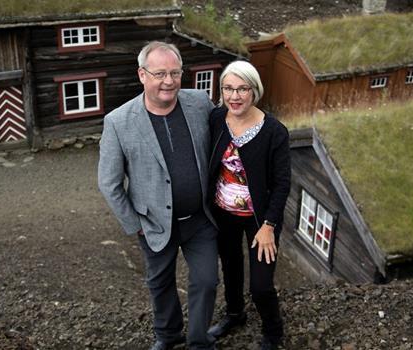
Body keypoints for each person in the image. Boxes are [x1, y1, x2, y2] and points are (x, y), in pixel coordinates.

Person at [98, 41, 218, 350]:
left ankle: (199, 342)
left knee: (206, 281)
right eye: (160, 73)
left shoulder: (200, 102)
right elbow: (108, 182)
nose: (169, 81)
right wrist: (134, 223)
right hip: (153, 223)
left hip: (200, 219)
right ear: (142, 75)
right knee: (160, 284)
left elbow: (226, 137)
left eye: (175, 73)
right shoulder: (118, 122)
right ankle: (168, 336)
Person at [207, 61, 291, 350]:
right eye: (228, 88)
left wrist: (269, 226)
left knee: (261, 285)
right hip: (223, 213)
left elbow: (282, 184)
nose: (235, 96)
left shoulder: (274, 132)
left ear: (255, 91)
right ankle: (234, 315)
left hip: (260, 219)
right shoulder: (217, 119)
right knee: (230, 268)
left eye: (243, 88)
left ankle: (273, 333)